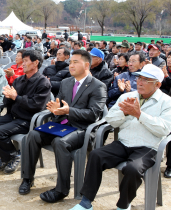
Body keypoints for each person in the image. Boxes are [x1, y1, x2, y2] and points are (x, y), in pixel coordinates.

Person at [70, 64, 171, 210]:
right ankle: (85, 202)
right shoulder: (128, 96)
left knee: (133, 169)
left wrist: (139, 115)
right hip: (124, 143)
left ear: (157, 84)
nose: (139, 82)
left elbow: (164, 130)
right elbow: (111, 120)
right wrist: (125, 113)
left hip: (148, 147)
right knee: (96, 155)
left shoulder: (168, 103)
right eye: (139, 78)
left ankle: (123, 205)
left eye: (146, 80)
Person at [19, 50, 107, 203]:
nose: (70, 65)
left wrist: (69, 111)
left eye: (75, 62)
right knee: (33, 135)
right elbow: (60, 106)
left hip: (82, 129)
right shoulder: (66, 82)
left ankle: (61, 190)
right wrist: (55, 109)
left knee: (60, 142)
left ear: (86, 65)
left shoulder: (97, 86)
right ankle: (27, 178)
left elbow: (93, 114)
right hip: (62, 124)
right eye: (70, 62)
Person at [0, 50, 51, 174]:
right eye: (22, 60)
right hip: (13, 116)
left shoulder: (43, 82)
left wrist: (16, 97)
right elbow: (8, 102)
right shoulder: (19, 80)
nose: (22, 63)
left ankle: (13, 156)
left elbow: (36, 105)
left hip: (28, 120)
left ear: (36, 63)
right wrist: (7, 95)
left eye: (25, 61)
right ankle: (8, 156)